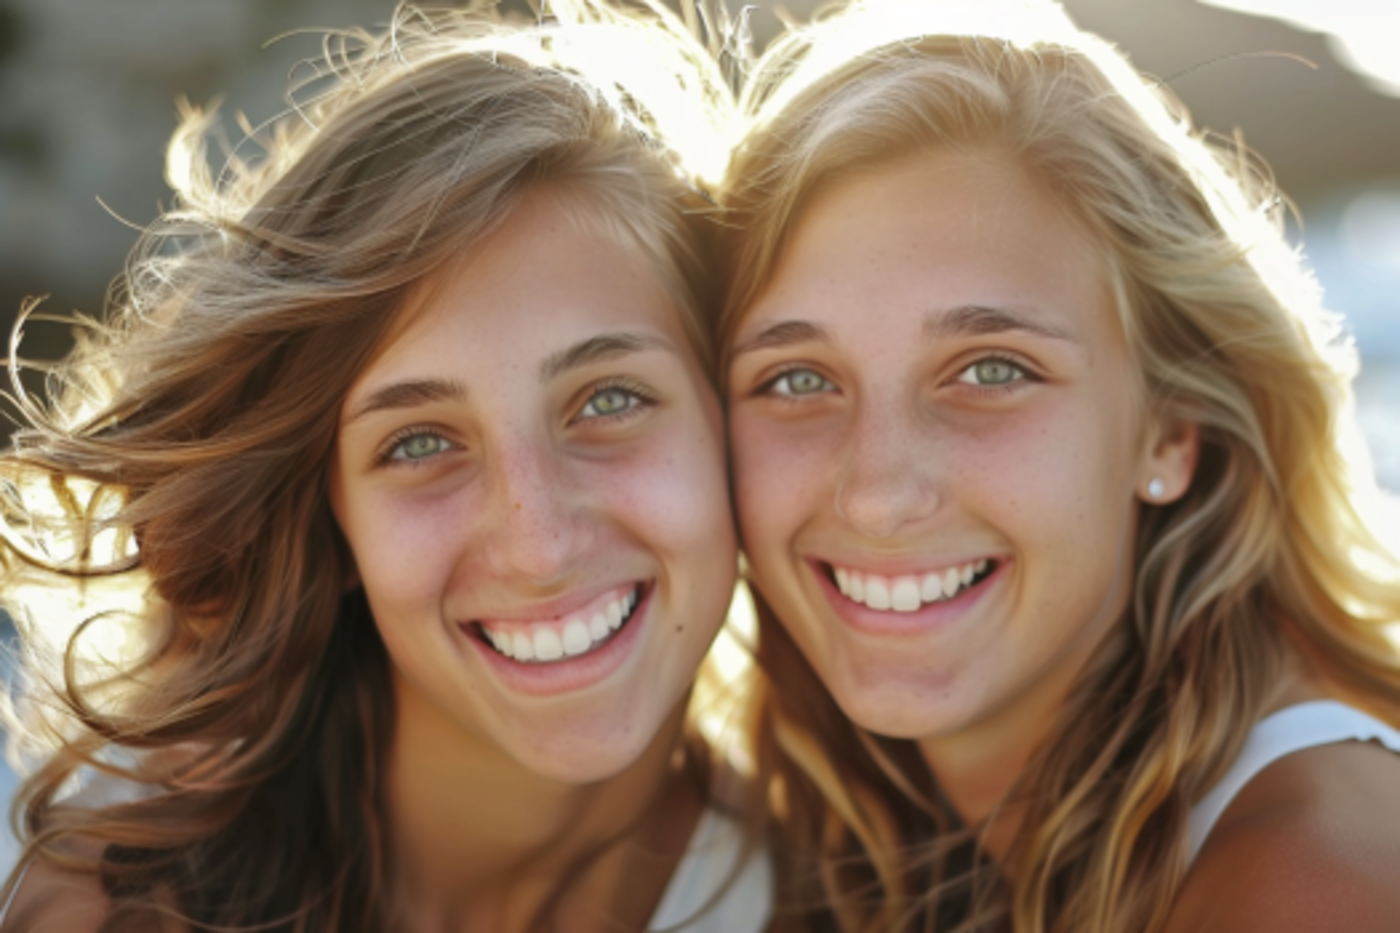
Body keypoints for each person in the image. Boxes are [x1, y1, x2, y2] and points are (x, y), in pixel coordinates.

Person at [0, 3, 770, 930]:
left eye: (609, 400)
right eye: (418, 442)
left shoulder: (849, 900)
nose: (540, 545)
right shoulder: (104, 896)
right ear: (331, 515)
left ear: (729, 418)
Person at [718, 0, 1400, 930]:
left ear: (1169, 428)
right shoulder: (876, 846)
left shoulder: (1306, 879)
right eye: (798, 377)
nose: (877, 493)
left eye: (992, 370)